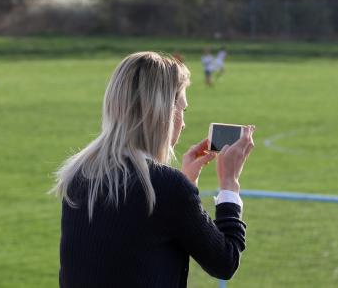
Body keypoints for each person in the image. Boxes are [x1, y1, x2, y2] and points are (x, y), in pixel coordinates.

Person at [52, 52, 255, 287]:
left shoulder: (80, 174)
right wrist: (229, 183)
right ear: (164, 111)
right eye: (183, 110)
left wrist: (187, 184)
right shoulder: (166, 187)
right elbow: (224, 262)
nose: (184, 122)